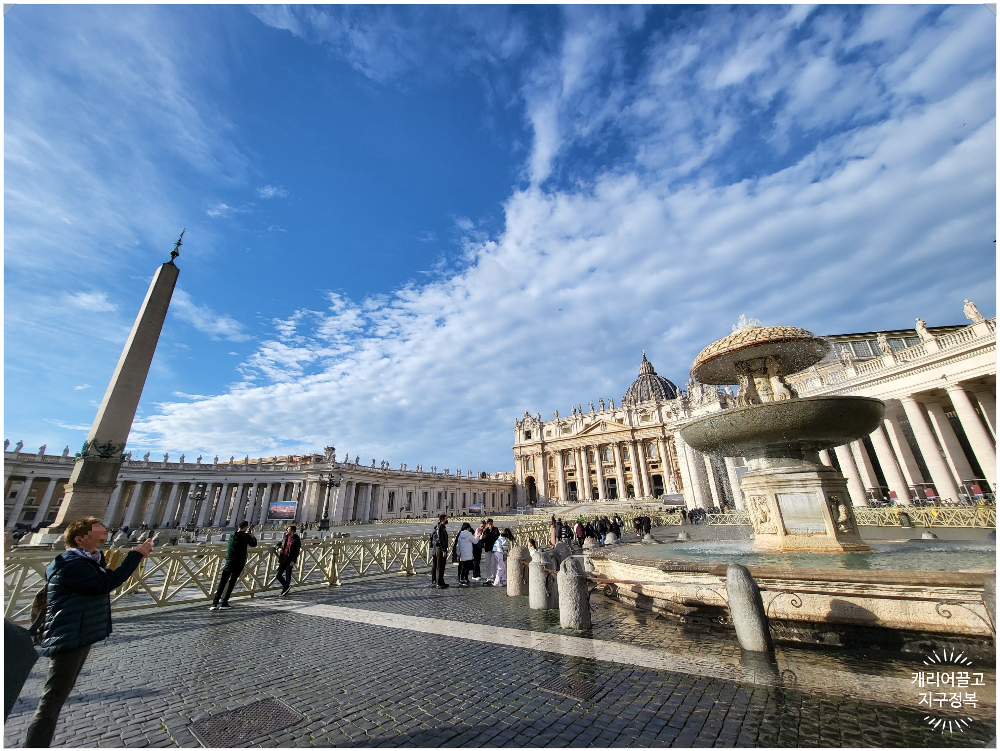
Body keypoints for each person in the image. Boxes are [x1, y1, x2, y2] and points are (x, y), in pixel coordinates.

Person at [24, 518, 152, 748]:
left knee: (57, 694)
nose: (104, 529)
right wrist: (136, 555)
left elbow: (100, 583)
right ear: (80, 538)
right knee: (52, 699)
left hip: (79, 631)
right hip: (69, 632)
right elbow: (105, 584)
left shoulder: (88, 560)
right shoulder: (73, 563)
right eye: (97, 528)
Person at [210, 521, 257, 610]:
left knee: (222, 582)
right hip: (239, 561)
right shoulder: (245, 536)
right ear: (245, 527)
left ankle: (214, 603)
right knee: (232, 582)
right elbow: (254, 544)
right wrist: (252, 535)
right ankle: (224, 602)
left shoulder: (231, 535)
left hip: (229, 560)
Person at [274, 525, 301, 596]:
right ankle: (287, 587)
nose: (286, 530)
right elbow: (277, 544)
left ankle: (285, 591)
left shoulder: (296, 539)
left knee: (288, 577)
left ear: (292, 531)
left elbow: (297, 551)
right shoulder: (285, 537)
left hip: (289, 560)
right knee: (278, 575)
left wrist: (293, 560)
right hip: (283, 559)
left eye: (288, 529)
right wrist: (278, 548)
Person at [429, 515, 449, 589]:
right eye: (446, 518)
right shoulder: (440, 528)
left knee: (442, 566)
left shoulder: (442, 527)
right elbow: (440, 539)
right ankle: (438, 582)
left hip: (442, 548)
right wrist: (443, 550)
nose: (447, 520)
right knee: (439, 566)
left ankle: (441, 581)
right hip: (440, 549)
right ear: (442, 520)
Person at [456, 523, 476, 587]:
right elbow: (475, 541)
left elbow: (458, 546)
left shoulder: (460, 535)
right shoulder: (469, 534)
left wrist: (458, 554)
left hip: (462, 554)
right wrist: (478, 536)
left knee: (463, 567)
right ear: (468, 528)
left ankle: (461, 579)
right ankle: (465, 579)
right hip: (468, 554)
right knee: (467, 567)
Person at [479, 518, 498, 583]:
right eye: (489, 524)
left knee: (494, 563)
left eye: (491, 524)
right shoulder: (485, 531)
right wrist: (482, 537)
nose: (490, 526)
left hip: (494, 549)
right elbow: (483, 540)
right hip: (487, 549)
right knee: (488, 563)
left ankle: (494, 576)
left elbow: (497, 538)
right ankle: (488, 577)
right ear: (487, 524)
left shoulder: (496, 530)